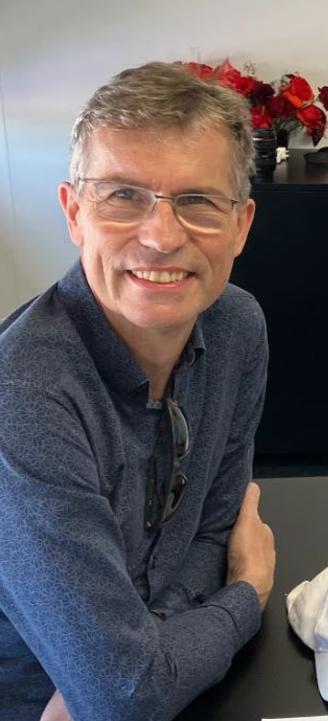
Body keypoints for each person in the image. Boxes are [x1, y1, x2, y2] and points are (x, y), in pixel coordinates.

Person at [0, 62, 276, 721]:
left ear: (240, 224)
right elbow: (122, 700)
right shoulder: (23, 398)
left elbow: (214, 525)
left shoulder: (237, 326)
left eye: (198, 201)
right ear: (74, 211)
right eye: (122, 195)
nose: (160, 235)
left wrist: (137, 662)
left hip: (180, 681)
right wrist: (248, 591)